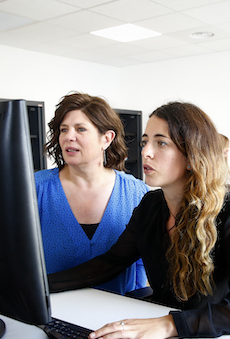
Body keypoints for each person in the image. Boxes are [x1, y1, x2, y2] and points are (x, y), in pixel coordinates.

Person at [48, 102, 230, 339]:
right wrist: (40, 286)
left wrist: (169, 324)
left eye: (161, 143)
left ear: (192, 155)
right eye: (145, 142)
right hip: (162, 335)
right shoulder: (151, 205)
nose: (146, 153)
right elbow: (110, 263)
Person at [35, 92, 148, 295]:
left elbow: (141, 265)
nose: (69, 136)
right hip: (54, 315)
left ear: (106, 138)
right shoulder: (35, 189)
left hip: (119, 316)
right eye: (63, 130)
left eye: (81, 129)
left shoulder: (137, 192)